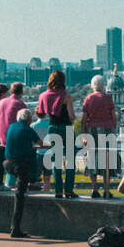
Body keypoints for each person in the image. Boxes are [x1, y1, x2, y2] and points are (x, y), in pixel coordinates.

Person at [4, 108, 43, 238]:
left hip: (8, 163)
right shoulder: (28, 129)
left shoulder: (11, 126)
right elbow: (40, 143)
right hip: (21, 165)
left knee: (19, 189)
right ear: (28, 119)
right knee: (19, 195)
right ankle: (15, 228)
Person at [38, 71, 77, 199]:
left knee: (56, 160)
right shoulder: (66, 96)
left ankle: (58, 191)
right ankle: (69, 190)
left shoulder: (44, 95)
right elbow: (71, 116)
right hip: (66, 127)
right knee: (70, 160)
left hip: (52, 127)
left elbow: (41, 113)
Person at [81, 75, 117, 198]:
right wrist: (113, 129)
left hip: (92, 130)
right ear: (103, 85)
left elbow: (84, 120)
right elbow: (114, 116)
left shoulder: (88, 98)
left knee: (92, 159)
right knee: (107, 160)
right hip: (107, 130)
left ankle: (94, 189)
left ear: (93, 85)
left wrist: (84, 135)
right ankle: (106, 190)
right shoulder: (108, 98)